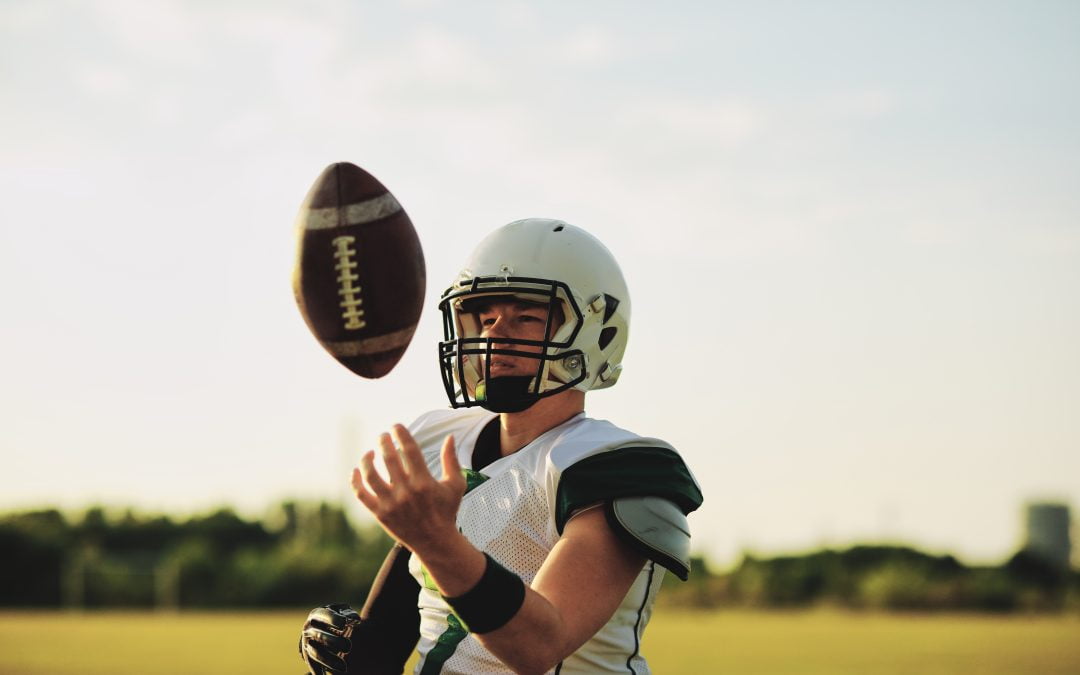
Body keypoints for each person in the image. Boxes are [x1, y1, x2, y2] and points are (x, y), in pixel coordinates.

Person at [300, 218, 703, 674]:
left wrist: (438, 542)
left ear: (598, 333)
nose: (494, 333)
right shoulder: (439, 439)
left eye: (526, 317)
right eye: (485, 318)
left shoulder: (616, 465)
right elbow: (400, 615)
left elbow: (540, 646)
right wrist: (364, 654)